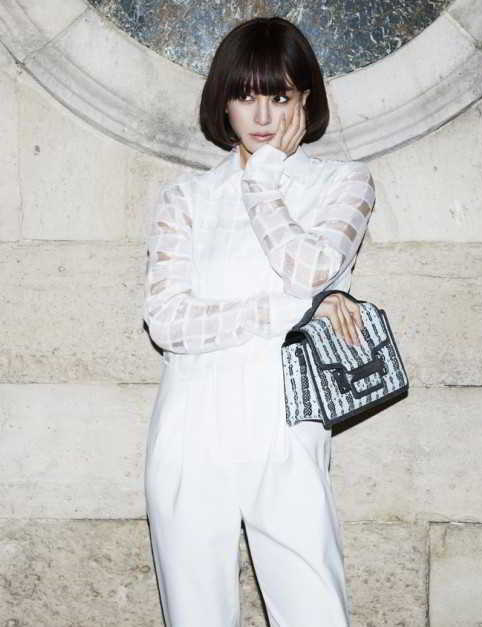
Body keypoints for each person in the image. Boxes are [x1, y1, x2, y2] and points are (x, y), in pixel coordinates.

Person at [143, 15, 376, 627]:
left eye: (280, 96)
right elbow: (168, 321)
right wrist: (291, 310)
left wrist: (266, 182)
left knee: (314, 611)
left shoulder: (344, 182)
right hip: (191, 424)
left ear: (305, 101)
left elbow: (309, 268)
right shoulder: (185, 198)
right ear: (224, 102)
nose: (265, 115)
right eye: (247, 96)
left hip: (288, 419)